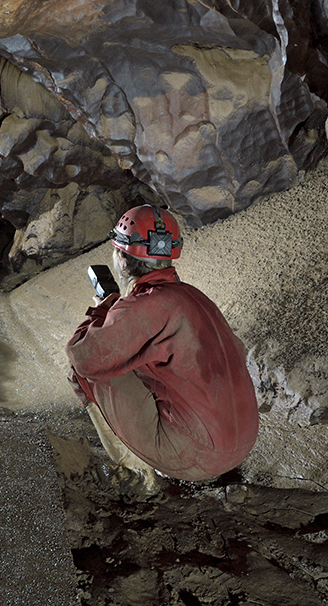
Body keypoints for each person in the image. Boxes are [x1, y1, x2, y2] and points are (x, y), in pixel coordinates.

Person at [66, 205, 259, 486]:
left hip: (196, 456)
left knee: (84, 368)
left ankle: (135, 474)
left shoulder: (147, 305)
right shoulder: (195, 297)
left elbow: (83, 356)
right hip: (242, 444)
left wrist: (104, 309)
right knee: (132, 358)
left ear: (121, 259)